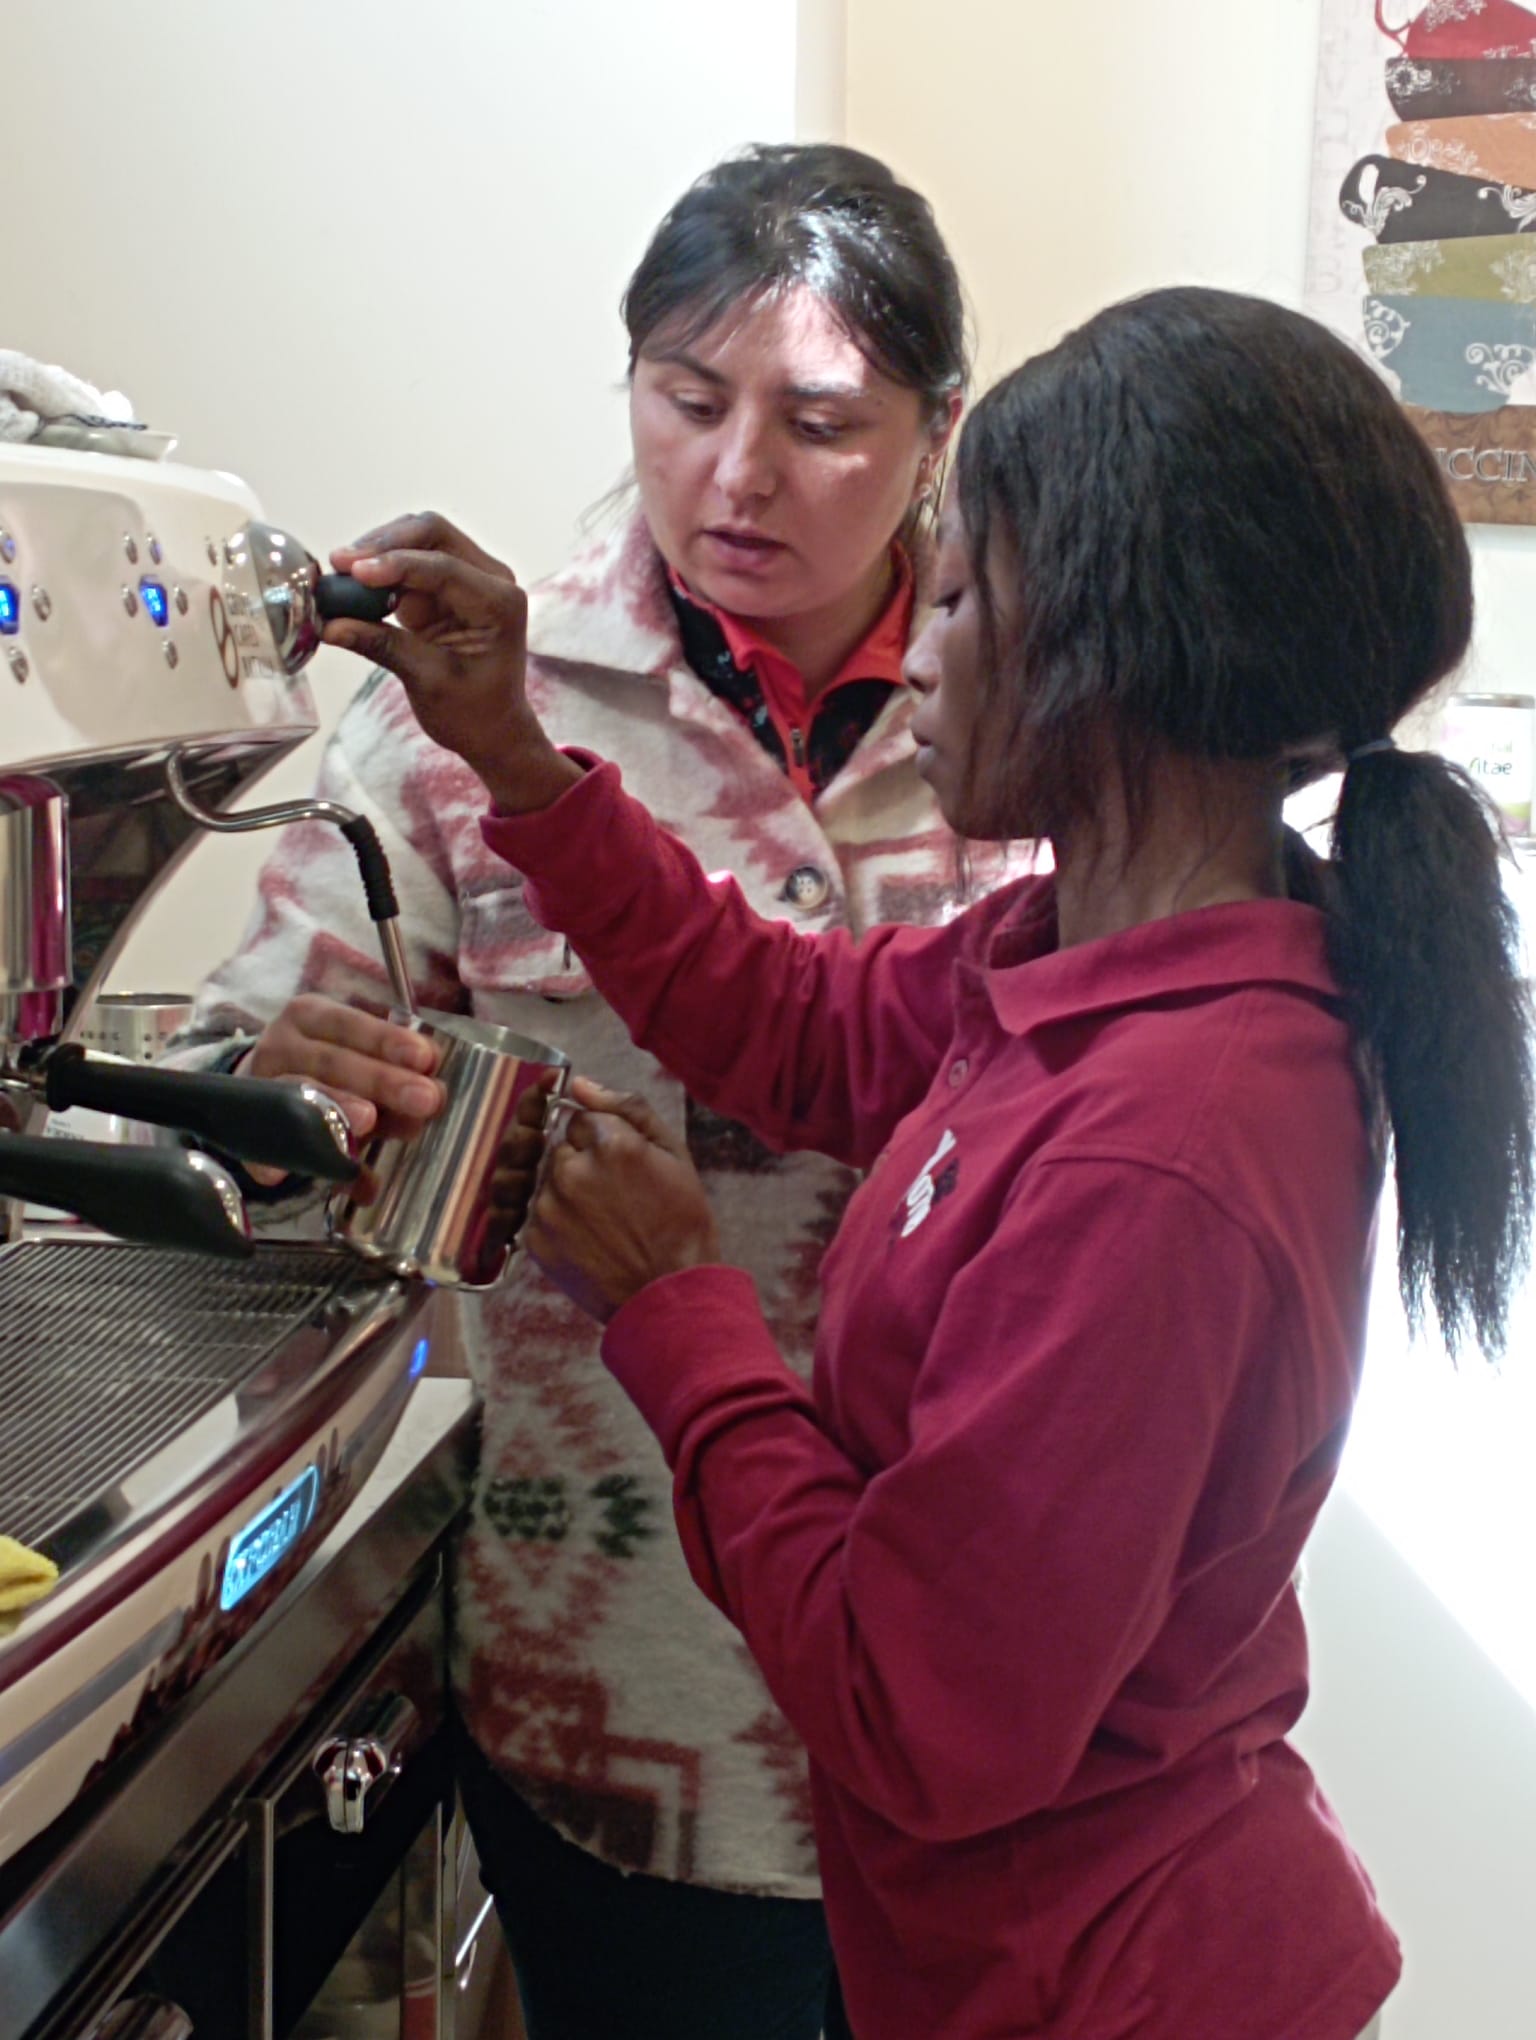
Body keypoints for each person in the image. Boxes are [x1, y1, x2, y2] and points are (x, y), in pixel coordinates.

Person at [314, 286, 1534, 2039]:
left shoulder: (1173, 1145)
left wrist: (680, 1303)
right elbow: (798, 1027)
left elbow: (920, 1717)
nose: (928, 648)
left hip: (1113, 1989)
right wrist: (511, 747)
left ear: (1116, 637)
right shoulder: (1079, 949)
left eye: (958, 593)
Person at [176, 145, 1006, 2039]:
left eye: (821, 423)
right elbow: (246, 1110)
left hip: (980, 1698)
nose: (739, 476)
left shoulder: (1036, 706)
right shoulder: (476, 694)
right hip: (623, 1688)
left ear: (936, 429)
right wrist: (293, 1095)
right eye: (688, 401)